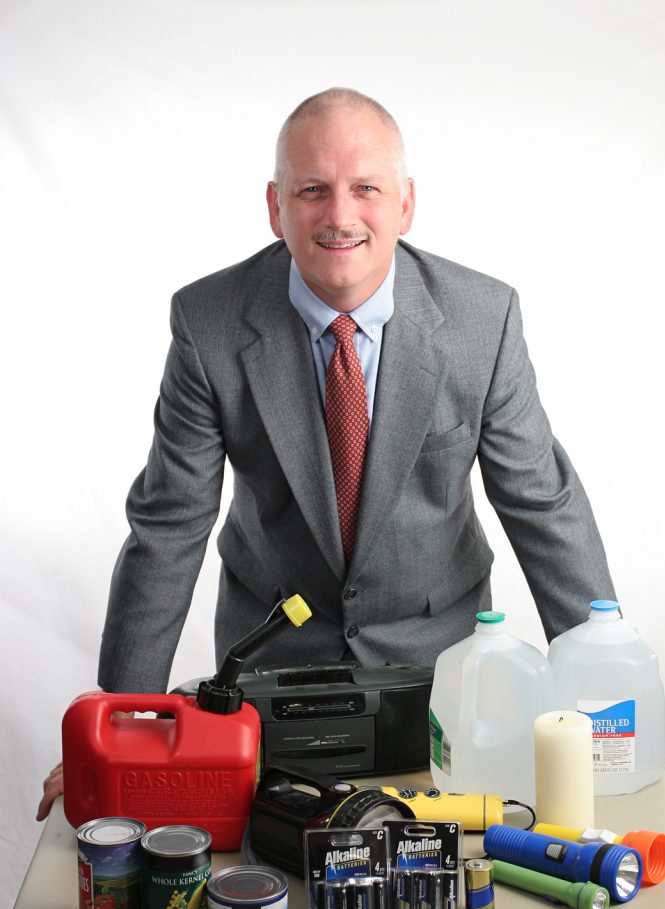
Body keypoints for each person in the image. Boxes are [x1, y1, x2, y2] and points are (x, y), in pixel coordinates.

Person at [37, 86, 616, 820]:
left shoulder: (483, 320)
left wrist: (611, 698)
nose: (339, 216)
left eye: (364, 189)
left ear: (405, 204)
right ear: (275, 206)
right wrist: (113, 726)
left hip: (441, 678)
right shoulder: (208, 324)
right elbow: (168, 528)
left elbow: (543, 503)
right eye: (313, 191)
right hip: (276, 677)